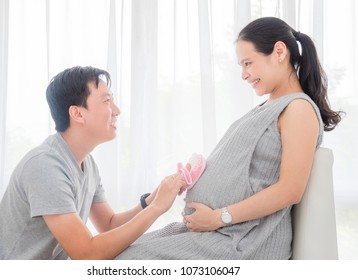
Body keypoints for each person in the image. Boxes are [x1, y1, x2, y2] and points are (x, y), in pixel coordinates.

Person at [115, 17, 343, 260]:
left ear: (279, 52)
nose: (244, 75)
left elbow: (290, 190)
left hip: (243, 242)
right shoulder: (268, 106)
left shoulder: (298, 109)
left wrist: (219, 217)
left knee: (125, 261)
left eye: (248, 63)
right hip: (220, 234)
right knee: (120, 253)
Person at [0, 66, 188, 260]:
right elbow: (86, 253)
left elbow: (108, 225)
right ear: (78, 113)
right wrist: (158, 208)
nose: (117, 111)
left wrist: (152, 199)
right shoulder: (45, 166)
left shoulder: (87, 163)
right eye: (107, 101)